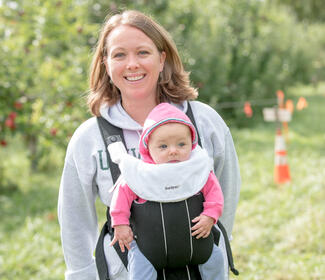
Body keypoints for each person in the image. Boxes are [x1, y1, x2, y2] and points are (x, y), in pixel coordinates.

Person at [58, 10, 240, 280]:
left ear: (162, 58)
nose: (132, 64)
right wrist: (82, 275)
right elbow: (75, 218)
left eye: (143, 52)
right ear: (106, 63)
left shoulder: (204, 121)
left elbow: (226, 190)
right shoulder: (89, 138)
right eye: (119, 55)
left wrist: (215, 250)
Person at [109, 102, 225, 280]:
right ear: (148, 148)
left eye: (181, 144)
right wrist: (120, 223)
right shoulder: (141, 174)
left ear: (192, 144)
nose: (173, 151)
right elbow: (121, 196)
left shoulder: (197, 170)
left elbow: (215, 194)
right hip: (149, 251)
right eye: (163, 146)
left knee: (216, 260)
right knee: (139, 271)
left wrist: (210, 215)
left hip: (198, 245)